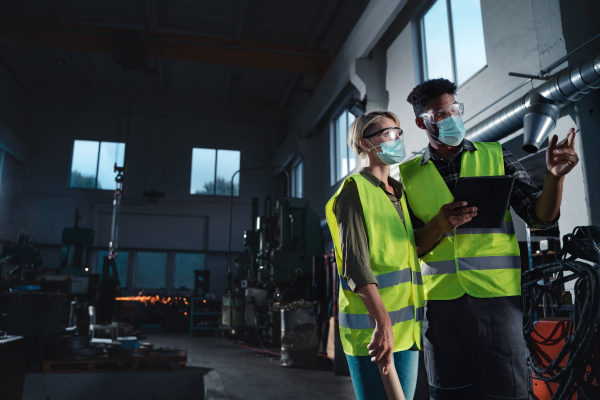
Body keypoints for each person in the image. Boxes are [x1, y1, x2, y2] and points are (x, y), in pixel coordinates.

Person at [400, 78, 579, 400]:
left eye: (455, 109)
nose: (452, 117)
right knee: (449, 392)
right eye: (441, 114)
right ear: (420, 122)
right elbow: (410, 246)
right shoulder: (408, 175)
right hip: (441, 305)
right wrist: (439, 224)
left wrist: (554, 178)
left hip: (499, 299)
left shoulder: (496, 155)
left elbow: (540, 217)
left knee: (508, 390)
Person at [325, 111, 424, 400]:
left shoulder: (397, 193)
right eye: (386, 134)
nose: (396, 138)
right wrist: (383, 324)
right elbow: (356, 266)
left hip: (407, 331)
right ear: (366, 145)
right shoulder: (354, 192)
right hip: (375, 331)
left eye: (398, 132)